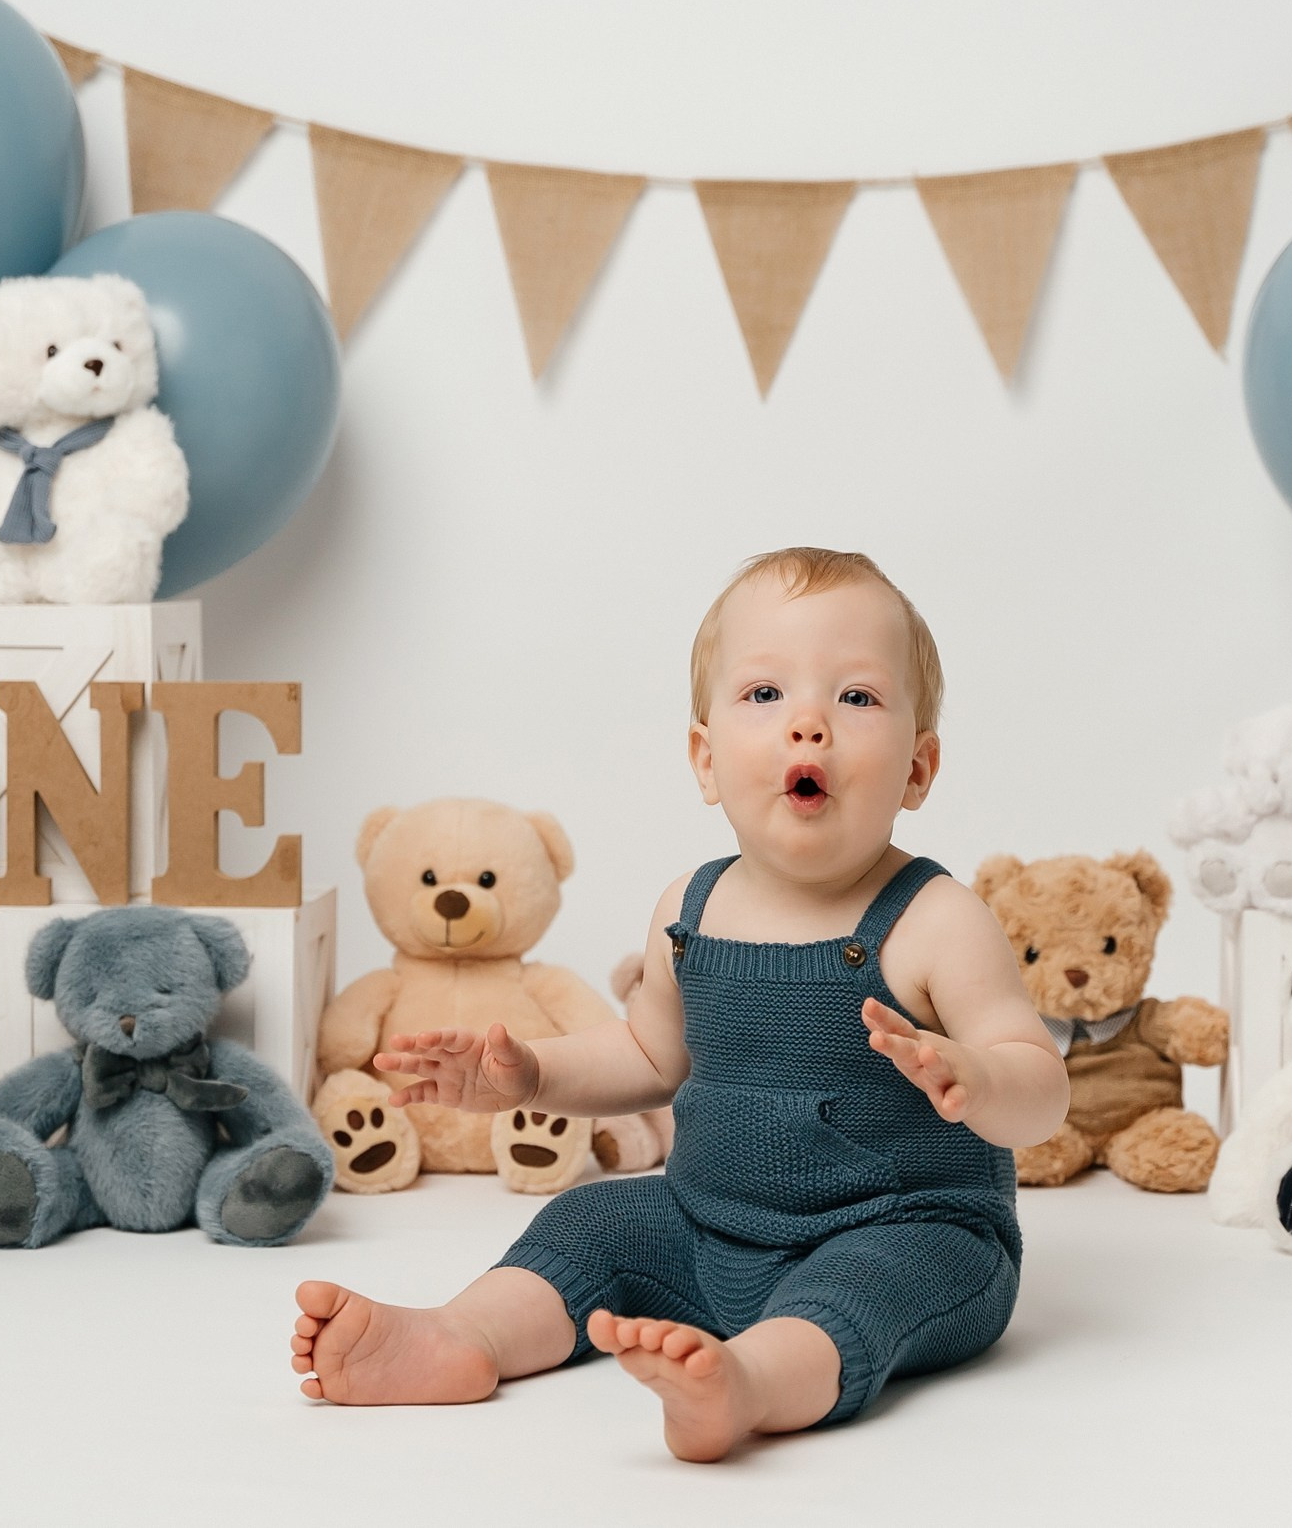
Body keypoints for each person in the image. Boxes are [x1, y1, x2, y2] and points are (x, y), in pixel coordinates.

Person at [286, 547, 1067, 1460]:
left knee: (863, 1290)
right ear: (705, 758)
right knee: (590, 1221)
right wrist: (529, 1074)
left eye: (856, 696)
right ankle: (462, 1335)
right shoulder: (687, 910)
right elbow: (649, 1056)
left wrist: (981, 1077)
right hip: (706, 1223)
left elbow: (1042, 1086)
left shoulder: (935, 919)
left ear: (918, 769)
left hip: (906, 1231)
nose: (808, 723)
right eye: (765, 693)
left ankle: (750, 1383)